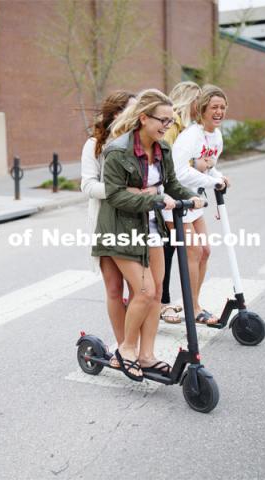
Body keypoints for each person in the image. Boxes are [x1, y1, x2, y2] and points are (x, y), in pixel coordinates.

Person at [92, 89, 203, 381]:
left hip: (150, 228)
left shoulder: (162, 149)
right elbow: (115, 196)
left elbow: (172, 185)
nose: (168, 126)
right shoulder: (117, 150)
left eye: (171, 121)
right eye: (163, 120)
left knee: (155, 296)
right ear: (143, 118)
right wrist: (151, 198)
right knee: (145, 291)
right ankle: (126, 349)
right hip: (119, 229)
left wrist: (191, 197)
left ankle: (147, 355)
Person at [162, 84, 230, 325]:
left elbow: (209, 165)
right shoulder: (190, 136)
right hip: (177, 201)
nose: (219, 111)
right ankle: (193, 308)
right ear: (202, 109)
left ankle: (194, 302)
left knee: (206, 251)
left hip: (196, 201)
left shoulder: (217, 136)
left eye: (222, 107)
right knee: (193, 251)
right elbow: (179, 172)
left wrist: (218, 176)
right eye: (214, 107)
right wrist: (213, 181)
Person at [81, 90, 136, 367]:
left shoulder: (138, 143)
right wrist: (121, 191)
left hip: (136, 223)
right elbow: (87, 185)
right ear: (116, 114)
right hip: (106, 222)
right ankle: (124, 347)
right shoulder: (94, 145)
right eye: (133, 110)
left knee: (139, 289)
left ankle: (133, 347)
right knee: (114, 289)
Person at [161, 81, 202, 324]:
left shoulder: (186, 126)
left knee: (172, 249)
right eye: (199, 100)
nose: (201, 105)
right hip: (168, 197)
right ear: (189, 100)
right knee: (168, 251)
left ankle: (173, 302)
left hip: (177, 196)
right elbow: (167, 162)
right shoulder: (172, 124)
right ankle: (164, 303)